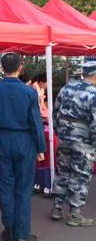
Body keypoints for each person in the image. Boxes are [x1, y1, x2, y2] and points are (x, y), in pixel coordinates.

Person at [0, 53, 46, 241]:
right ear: (20, 67)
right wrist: (40, 147)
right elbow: (35, 122)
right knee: (23, 189)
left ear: (2, 67)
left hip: (2, 139)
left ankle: (9, 230)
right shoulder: (29, 92)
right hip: (24, 141)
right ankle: (22, 234)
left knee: (6, 187)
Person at [50, 61, 96, 226]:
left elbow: (55, 112)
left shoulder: (67, 88)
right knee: (80, 176)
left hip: (64, 137)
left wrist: (59, 131)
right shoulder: (94, 93)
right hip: (84, 141)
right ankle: (75, 215)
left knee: (63, 172)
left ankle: (57, 208)